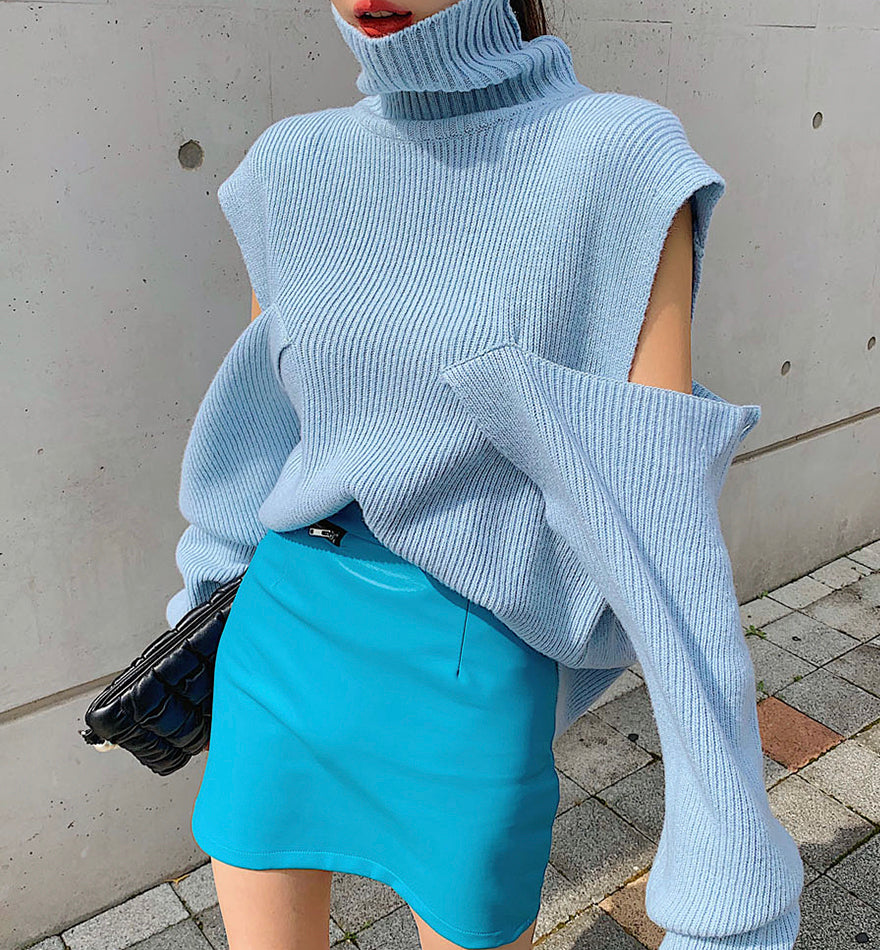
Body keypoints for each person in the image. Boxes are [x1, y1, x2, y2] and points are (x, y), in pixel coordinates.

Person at [166, 0, 804, 947]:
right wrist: (199, 609)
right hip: (283, 630)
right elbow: (259, 425)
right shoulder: (290, 164)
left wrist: (728, 852)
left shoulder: (617, 157)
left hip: (473, 659)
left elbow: (656, 520)